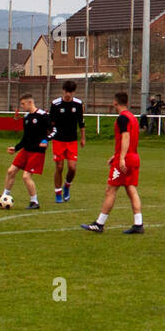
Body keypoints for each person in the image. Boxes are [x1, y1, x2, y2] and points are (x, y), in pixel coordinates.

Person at [80, 92, 144, 234]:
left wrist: (120, 158)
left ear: (115, 103)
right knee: (131, 189)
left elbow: (126, 138)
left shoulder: (122, 118)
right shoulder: (133, 118)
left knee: (110, 190)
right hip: (134, 157)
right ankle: (138, 224)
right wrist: (115, 155)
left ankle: (99, 224)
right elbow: (131, 140)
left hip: (125, 159)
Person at [0, 93, 51, 209]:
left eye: (23, 104)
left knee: (26, 176)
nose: (22, 106)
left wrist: (46, 140)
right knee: (11, 171)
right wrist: (16, 148)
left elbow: (54, 130)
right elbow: (26, 137)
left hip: (37, 151)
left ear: (30, 102)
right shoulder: (27, 117)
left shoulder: (43, 115)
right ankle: (4, 196)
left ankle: (34, 202)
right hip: (26, 150)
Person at [49, 80, 86, 204]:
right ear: (63, 90)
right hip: (58, 140)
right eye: (66, 91)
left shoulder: (78, 104)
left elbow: (81, 122)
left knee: (72, 168)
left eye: (71, 92)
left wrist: (83, 138)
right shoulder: (55, 104)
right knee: (59, 167)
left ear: (74, 92)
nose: (68, 94)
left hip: (72, 141)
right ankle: (58, 193)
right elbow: (50, 123)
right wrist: (48, 136)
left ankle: (67, 186)